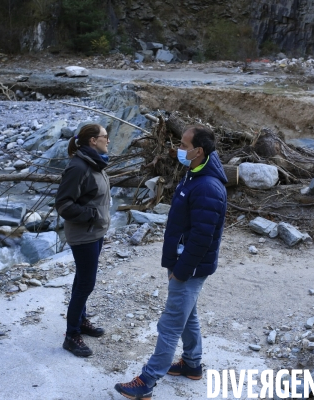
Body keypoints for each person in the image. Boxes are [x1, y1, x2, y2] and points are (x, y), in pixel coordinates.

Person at [115, 125, 228, 399]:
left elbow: (202, 238)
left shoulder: (207, 187)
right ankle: (192, 363)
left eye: (183, 145)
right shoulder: (196, 173)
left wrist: (181, 271)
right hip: (183, 263)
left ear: (198, 151)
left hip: (188, 267)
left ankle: (147, 380)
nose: (178, 149)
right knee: (188, 316)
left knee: (170, 323)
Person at [55, 123, 111, 357]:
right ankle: (71, 335)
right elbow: (63, 204)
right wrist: (93, 215)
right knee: (85, 283)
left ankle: (81, 320)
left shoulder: (96, 162)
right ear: (92, 141)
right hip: (83, 234)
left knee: (82, 278)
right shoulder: (78, 167)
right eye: (105, 137)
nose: (108, 141)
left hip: (95, 231)